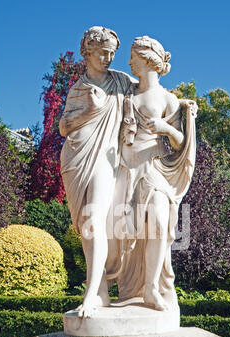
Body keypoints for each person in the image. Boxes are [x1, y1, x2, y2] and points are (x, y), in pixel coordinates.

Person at [105, 36, 197, 311]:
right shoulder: (124, 92)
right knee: (124, 234)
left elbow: (181, 141)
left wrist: (165, 127)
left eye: (133, 56)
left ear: (146, 59)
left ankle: (151, 289)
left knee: (159, 222)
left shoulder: (168, 99)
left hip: (155, 166)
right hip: (125, 168)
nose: (129, 61)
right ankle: (125, 287)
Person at [59, 26, 135, 318]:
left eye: (112, 53)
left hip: (107, 157)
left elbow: (149, 94)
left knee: (93, 217)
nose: (108, 57)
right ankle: (100, 291)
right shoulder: (78, 88)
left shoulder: (122, 83)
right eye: (102, 51)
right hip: (75, 158)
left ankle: (92, 293)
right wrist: (91, 110)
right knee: (86, 226)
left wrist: (179, 106)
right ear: (86, 51)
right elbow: (64, 127)